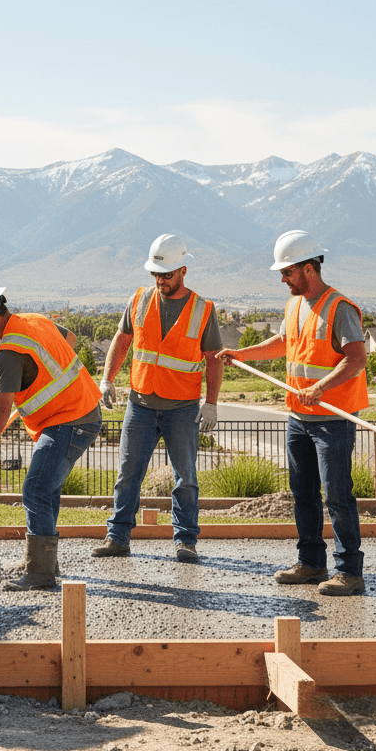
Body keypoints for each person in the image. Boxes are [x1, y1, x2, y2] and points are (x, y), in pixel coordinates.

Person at [217, 230, 368, 596]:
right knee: (303, 493)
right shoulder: (295, 305)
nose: (283, 279)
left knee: (337, 495)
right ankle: (312, 563)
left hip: (333, 420)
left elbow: (357, 358)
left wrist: (321, 388)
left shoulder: (340, 308)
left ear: (308, 269)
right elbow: (283, 344)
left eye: (287, 272)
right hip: (298, 418)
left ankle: (349, 571)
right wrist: (241, 354)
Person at [0, 278, 102, 590]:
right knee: (47, 489)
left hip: (69, 420)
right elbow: (70, 338)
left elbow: (0, 409)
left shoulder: (8, 353)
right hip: (81, 411)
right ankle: (42, 562)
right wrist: (41, 377)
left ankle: (40, 574)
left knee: (36, 489)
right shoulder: (35, 320)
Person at [92, 234, 223, 562]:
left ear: (183, 270)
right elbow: (122, 340)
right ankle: (117, 537)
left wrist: (211, 402)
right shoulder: (139, 299)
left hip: (182, 408)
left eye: (167, 275)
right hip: (140, 405)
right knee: (127, 475)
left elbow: (213, 359)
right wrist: (107, 379)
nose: (160, 280)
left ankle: (186, 541)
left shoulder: (203, 309)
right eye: (156, 274)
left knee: (185, 479)